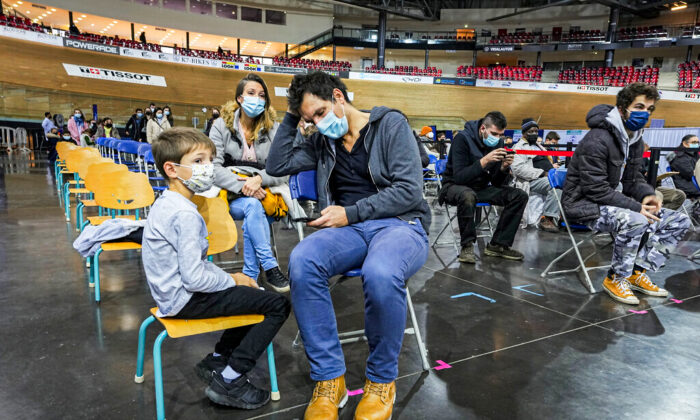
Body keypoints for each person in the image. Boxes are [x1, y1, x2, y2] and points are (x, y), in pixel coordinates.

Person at [266, 71, 430, 420]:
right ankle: (329, 379)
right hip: (351, 229)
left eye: (321, 112)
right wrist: (295, 114)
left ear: (339, 97)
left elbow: (409, 192)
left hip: (400, 224)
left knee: (381, 272)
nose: (318, 123)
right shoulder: (322, 140)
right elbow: (277, 164)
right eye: (311, 119)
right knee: (302, 260)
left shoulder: (390, 125)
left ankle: (381, 381)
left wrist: (350, 212)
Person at [143, 127, 290, 410]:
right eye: (198, 161)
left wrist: (235, 281)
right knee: (276, 306)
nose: (208, 167)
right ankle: (231, 379)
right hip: (184, 299)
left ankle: (220, 359)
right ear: (172, 169)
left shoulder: (167, 203)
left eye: (210, 159)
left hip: (171, 295)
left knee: (253, 296)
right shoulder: (185, 214)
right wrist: (233, 278)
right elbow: (195, 277)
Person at [562, 83, 691, 305]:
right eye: (639, 106)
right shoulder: (597, 139)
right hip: (583, 205)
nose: (644, 113)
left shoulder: (634, 138)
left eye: (649, 109)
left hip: (611, 203)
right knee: (637, 219)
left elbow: (632, 179)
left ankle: (636, 271)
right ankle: (616, 278)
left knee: (678, 220)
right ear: (622, 108)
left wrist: (649, 194)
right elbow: (595, 189)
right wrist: (635, 206)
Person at [208, 73, 290, 292]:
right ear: (239, 99)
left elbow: (284, 170)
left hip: (264, 194)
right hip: (230, 193)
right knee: (253, 207)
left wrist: (259, 180)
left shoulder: (275, 128)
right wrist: (244, 186)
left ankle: (250, 275)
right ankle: (270, 266)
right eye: (251, 93)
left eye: (262, 95)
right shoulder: (220, 126)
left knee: (254, 208)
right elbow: (213, 168)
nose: (257, 98)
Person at [438, 111, 527, 264]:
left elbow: (497, 182)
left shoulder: (498, 143)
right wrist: (484, 161)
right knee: (468, 195)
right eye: (494, 133)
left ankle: (498, 245)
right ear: (482, 129)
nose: (497, 138)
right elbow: (459, 177)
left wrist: (503, 169)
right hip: (454, 186)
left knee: (519, 195)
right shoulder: (462, 139)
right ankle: (467, 246)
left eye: (500, 135)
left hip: (480, 188)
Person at [511, 118, 560, 233]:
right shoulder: (518, 147)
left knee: (567, 183)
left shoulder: (538, 146)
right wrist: (543, 173)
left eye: (536, 131)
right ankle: (547, 218)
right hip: (531, 180)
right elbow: (518, 169)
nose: (534, 134)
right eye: (531, 131)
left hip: (547, 176)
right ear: (524, 132)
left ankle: (566, 218)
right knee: (554, 185)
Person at [670, 134, 700, 200]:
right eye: (694, 142)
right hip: (687, 185)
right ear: (685, 144)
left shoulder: (693, 154)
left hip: (694, 183)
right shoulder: (679, 157)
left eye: (698, 142)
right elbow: (690, 174)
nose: (697, 144)